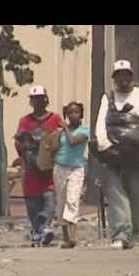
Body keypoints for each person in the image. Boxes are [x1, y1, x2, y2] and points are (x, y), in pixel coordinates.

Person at [95, 60, 139, 249]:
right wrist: (104, 145)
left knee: (137, 193)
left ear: (131, 76)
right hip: (114, 153)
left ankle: (134, 233)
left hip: (136, 153)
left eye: (126, 75)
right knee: (116, 192)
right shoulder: (108, 98)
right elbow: (101, 123)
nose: (123, 80)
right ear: (114, 79)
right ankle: (121, 233)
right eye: (119, 76)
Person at [15, 85, 62, 246]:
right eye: (34, 99)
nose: (38, 102)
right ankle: (37, 231)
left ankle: (45, 226)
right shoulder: (25, 121)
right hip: (31, 169)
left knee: (50, 200)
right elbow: (18, 143)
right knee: (32, 204)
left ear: (46, 99)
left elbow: (61, 138)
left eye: (41, 98)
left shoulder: (55, 118)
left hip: (49, 170)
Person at [52, 101, 89, 249]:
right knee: (61, 201)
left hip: (76, 169)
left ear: (81, 114)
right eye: (70, 113)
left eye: (76, 112)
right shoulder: (61, 132)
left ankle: (73, 236)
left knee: (73, 200)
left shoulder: (84, 130)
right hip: (60, 168)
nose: (73, 115)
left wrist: (65, 128)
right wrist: (56, 134)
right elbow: (54, 147)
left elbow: (73, 141)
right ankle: (66, 238)